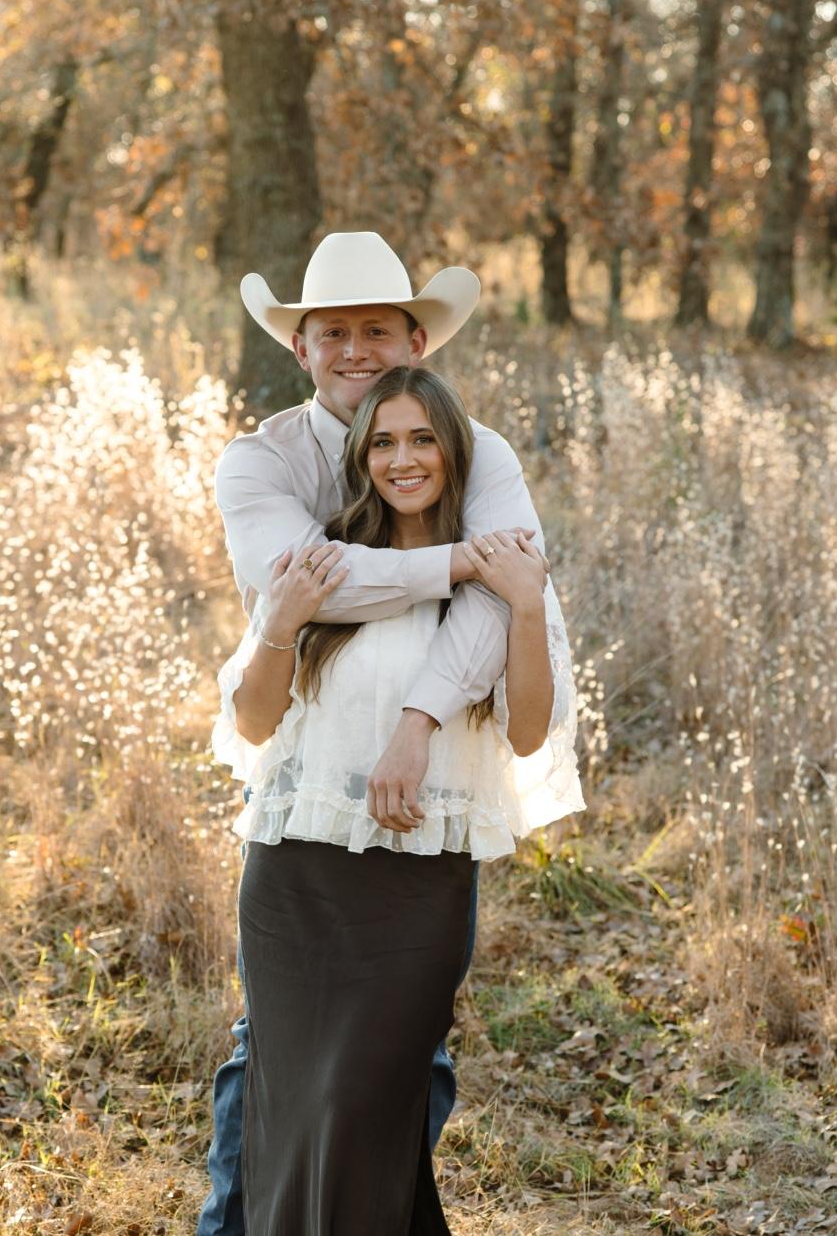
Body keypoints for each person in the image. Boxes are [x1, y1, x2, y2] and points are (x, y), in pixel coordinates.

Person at [199, 231, 581, 1235]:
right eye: (333, 332)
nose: (355, 350)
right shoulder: (263, 462)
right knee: (272, 1073)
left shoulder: (479, 452)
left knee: (392, 1081)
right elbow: (308, 593)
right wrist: (458, 562)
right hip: (304, 836)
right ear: (300, 347)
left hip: (419, 840)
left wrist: (418, 719)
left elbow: (507, 601)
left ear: (417, 341)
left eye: (377, 329)